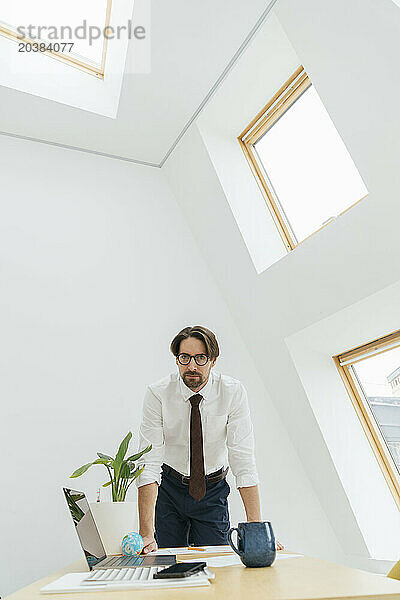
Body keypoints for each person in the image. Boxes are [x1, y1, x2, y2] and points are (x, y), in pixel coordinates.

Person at [135, 325, 282, 552]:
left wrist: (256, 530)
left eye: (201, 358)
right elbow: (149, 464)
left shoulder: (232, 392)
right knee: (167, 565)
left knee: (218, 566)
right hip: (169, 491)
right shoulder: (158, 393)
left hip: (212, 491)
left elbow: (243, 461)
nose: (192, 366)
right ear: (176, 360)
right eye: (185, 357)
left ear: (213, 360)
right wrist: (145, 533)